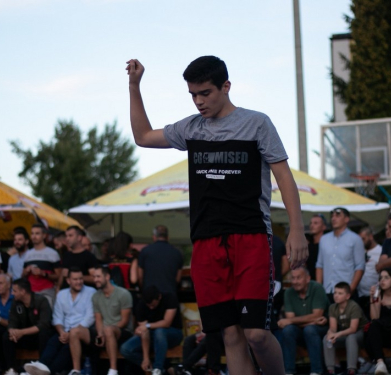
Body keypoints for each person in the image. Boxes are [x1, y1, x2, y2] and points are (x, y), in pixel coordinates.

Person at [126, 56, 308, 375]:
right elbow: (142, 136)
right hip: (207, 243)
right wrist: (134, 86)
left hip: (251, 237)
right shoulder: (191, 128)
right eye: (193, 95)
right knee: (230, 335)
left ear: (226, 87)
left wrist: (297, 229)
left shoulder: (257, 123)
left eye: (205, 93)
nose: (198, 102)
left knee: (256, 334)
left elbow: (284, 177)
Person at [24, 268, 96, 375]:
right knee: (53, 342)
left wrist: (72, 333)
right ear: (68, 281)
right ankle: (40, 365)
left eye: (80, 279)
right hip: (64, 331)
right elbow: (57, 317)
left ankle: (48, 372)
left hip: (81, 334)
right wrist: (62, 332)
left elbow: (90, 317)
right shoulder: (62, 294)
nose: (79, 282)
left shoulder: (91, 292)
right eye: (75, 279)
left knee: (66, 350)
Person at [276, 266, 329, 375]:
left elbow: (317, 315)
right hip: (303, 328)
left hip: (321, 329)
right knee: (288, 330)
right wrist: (312, 321)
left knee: (309, 330)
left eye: (298, 278)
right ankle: (288, 371)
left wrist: (311, 321)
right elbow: (290, 320)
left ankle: (316, 371)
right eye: (293, 278)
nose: (295, 281)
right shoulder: (288, 292)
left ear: (308, 278)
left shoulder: (317, 288)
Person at [120, 286, 183, 375]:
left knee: (159, 331)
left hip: (173, 333)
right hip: (151, 336)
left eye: (153, 305)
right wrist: (146, 358)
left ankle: (158, 368)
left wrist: (148, 325)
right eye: (148, 306)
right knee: (125, 348)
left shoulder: (169, 297)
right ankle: (155, 369)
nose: (151, 308)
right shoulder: (141, 305)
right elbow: (144, 331)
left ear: (159, 297)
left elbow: (166, 323)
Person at [3, 278, 53, 375]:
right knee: (6, 336)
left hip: (38, 337)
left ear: (23, 291)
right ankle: (12, 370)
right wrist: (12, 331)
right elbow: (12, 321)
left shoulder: (41, 301)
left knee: (44, 333)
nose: (12, 293)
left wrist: (21, 332)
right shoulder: (15, 302)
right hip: (23, 337)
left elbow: (43, 325)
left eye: (14, 291)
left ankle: (41, 368)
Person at [316, 207, 365, 302]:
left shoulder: (355, 239)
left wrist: (351, 289)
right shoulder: (324, 239)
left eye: (338, 215)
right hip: (328, 290)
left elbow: (360, 266)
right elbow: (319, 265)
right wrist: (319, 289)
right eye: (332, 216)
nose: (333, 218)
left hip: (346, 292)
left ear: (346, 219)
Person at [92, 266, 134, 375]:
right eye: (94, 277)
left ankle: (113, 370)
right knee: (88, 334)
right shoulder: (95, 296)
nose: (95, 279)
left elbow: (124, 321)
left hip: (122, 331)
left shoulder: (123, 294)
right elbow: (98, 319)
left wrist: (107, 331)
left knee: (109, 330)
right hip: (106, 331)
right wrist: (101, 333)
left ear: (107, 277)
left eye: (98, 276)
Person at [323, 282, 368, 375]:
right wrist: (330, 333)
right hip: (345, 334)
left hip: (361, 334)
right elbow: (333, 328)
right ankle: (331, 370)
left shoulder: (353, 306)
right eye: (335, 293)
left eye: (340, 293)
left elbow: (353, 329)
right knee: (326, 338)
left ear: (347, 296)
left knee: (351, 337)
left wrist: (337, 334)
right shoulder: (332, 307)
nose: (336, 296)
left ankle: (351, 370)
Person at [363, 268, 391, 375]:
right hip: (382, 332)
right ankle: (380, 363)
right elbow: (375, 318)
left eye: (386, 278)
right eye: (380, 278)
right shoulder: (378, 295)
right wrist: (373, 300)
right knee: (373, 326)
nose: (382, 280)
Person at [22, 223, 61, 306]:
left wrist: (43, 273)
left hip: (47, 292)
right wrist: (26, 271)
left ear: (44, 235)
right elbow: (22, 276)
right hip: (31, 293)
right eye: (32, 233)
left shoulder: (52, 253)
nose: (34, 236)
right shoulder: (28, 254)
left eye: (37, 233)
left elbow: (59, 276)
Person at [138, 226, 183, 295]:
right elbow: (178, 278)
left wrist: (143, 289)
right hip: (169, 293)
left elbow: (140, 276)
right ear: (168, 237)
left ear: (154, 237)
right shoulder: (177, 253)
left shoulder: (145, 251)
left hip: (150, 296)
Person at [357, 226, 382, 318]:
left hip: (374, 295)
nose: (361, 242)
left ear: (371, 236)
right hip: (360, 295)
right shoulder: (359, 251)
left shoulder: (380, 251)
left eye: (363, 239)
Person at [307, 214, 327, 280]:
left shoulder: (327, 246)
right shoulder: (308, 246)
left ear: (323, 227)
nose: (312, 226)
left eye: (315, 223)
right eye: (311, 223)